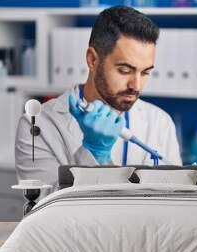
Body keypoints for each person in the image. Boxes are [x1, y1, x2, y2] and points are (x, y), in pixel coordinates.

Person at [15, 6, 182, 192]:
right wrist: (93, 153)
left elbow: (173, 199)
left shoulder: (160, 122)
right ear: (92, 60)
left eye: (145, 72)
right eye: (125, 70)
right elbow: (45, 206)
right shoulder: (37, 126)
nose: (136, 85)